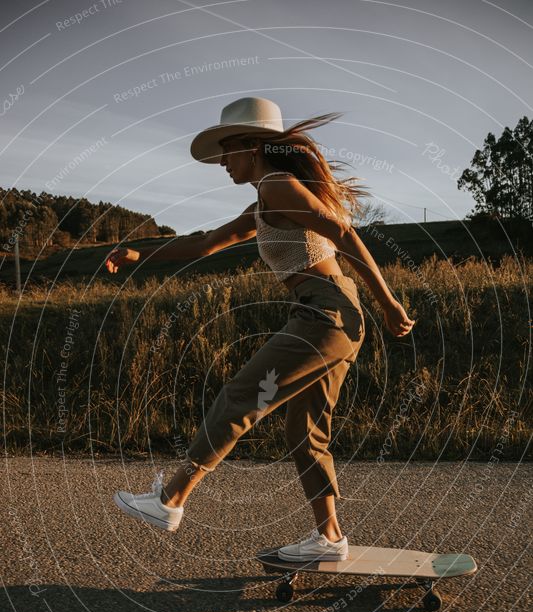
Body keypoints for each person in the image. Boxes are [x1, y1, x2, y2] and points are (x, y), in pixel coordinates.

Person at [107, 97, 414, 562]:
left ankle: (170, 500)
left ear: (252, 147)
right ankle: (330, 538)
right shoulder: (264, 200)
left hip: (325, 313)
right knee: (305, 431)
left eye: (227, 152)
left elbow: (343, 233)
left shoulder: (278, 184)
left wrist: (388, 301)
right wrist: (138, 254)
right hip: (334, 315)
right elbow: (206, 244)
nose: (223, 164)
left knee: (241, 396)